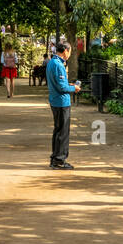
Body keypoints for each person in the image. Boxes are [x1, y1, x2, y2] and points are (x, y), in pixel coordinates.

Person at [46, 42, 81, 170]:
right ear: (65, 50)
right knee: (63, 132)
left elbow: (59, 83)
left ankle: (55, 158)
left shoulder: (51, 62)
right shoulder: (58, 64)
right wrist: (74, 88)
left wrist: (70, 85)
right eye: (70, 52)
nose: (69, 55)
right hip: (61, 102)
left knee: (58, 131)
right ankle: (59, 160)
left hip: (55, 100)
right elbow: (61, 87)